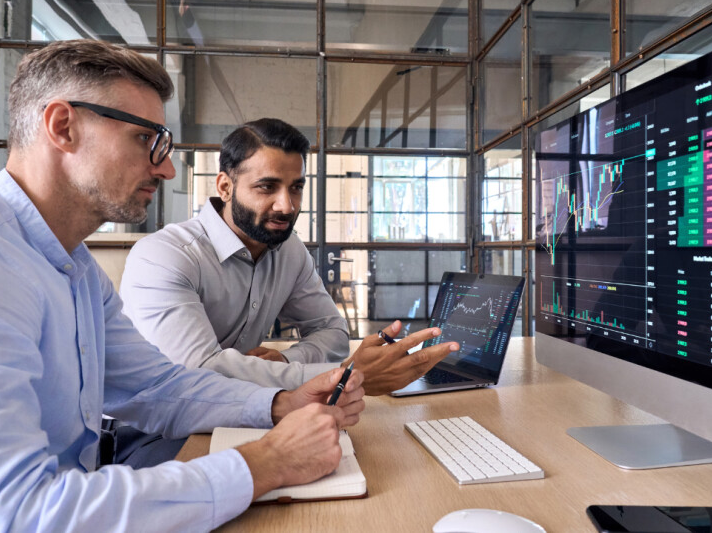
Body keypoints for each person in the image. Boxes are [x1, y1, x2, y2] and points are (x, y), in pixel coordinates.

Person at [0, 39, 365, 531]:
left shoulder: (76, 268)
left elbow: (156, 386)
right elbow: (12, 513)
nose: (166, 168)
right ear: (63, 127)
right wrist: (266, 463)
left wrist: (278, 402)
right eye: (146, 140)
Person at [120, 119, 459, 395]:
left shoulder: (288, 249)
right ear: (224, 187)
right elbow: (198, 372)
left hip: (241, 410)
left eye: (296, 187)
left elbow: (332, 331)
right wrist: (342, 374)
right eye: (267, 187)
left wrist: (286, 362)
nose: (287, 206)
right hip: (149, 429)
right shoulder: (165, 256)